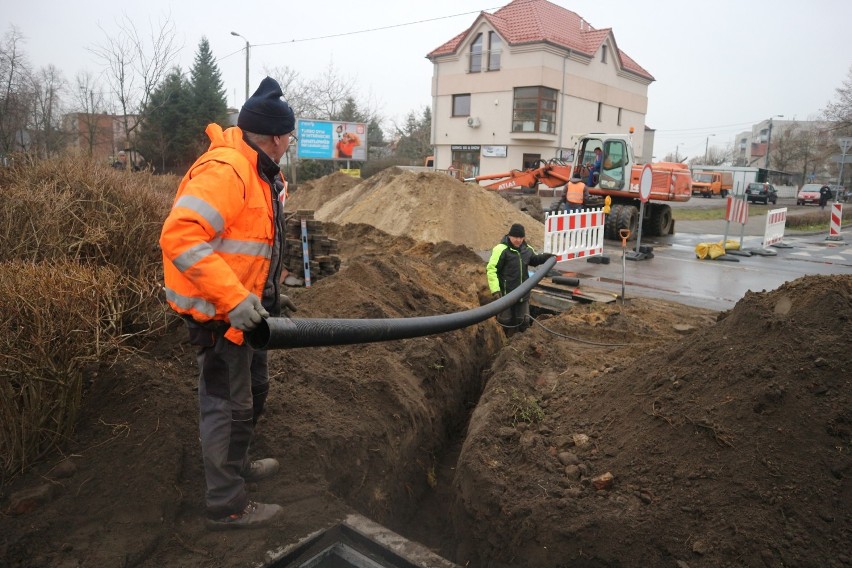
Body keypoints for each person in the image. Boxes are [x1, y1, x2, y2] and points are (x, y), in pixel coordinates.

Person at [160, 77, 296, 530]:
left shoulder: (258, 172)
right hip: (220, 316)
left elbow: (251, 244)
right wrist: (236, 298)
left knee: (253, 394)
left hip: (248, 315)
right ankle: (226, 504)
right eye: (289, 136)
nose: (290, 143)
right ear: (276, 137)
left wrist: (270, 294)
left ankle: (237, 468)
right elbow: (181, 235)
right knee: (226, 406)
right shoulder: (228, 170)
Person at [486, 223, 553, 335]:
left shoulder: (527, 249)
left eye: (521, 237)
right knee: (505, 321)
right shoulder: (501, 249)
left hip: (523, 294)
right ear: (509, 236)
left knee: (523, 321)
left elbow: (534, 260)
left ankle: (521, 343)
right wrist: (495, 290)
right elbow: (491, 269)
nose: (518, 240)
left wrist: (546, 257)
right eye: (516, 237)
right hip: (506, 294)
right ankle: (504, 340)